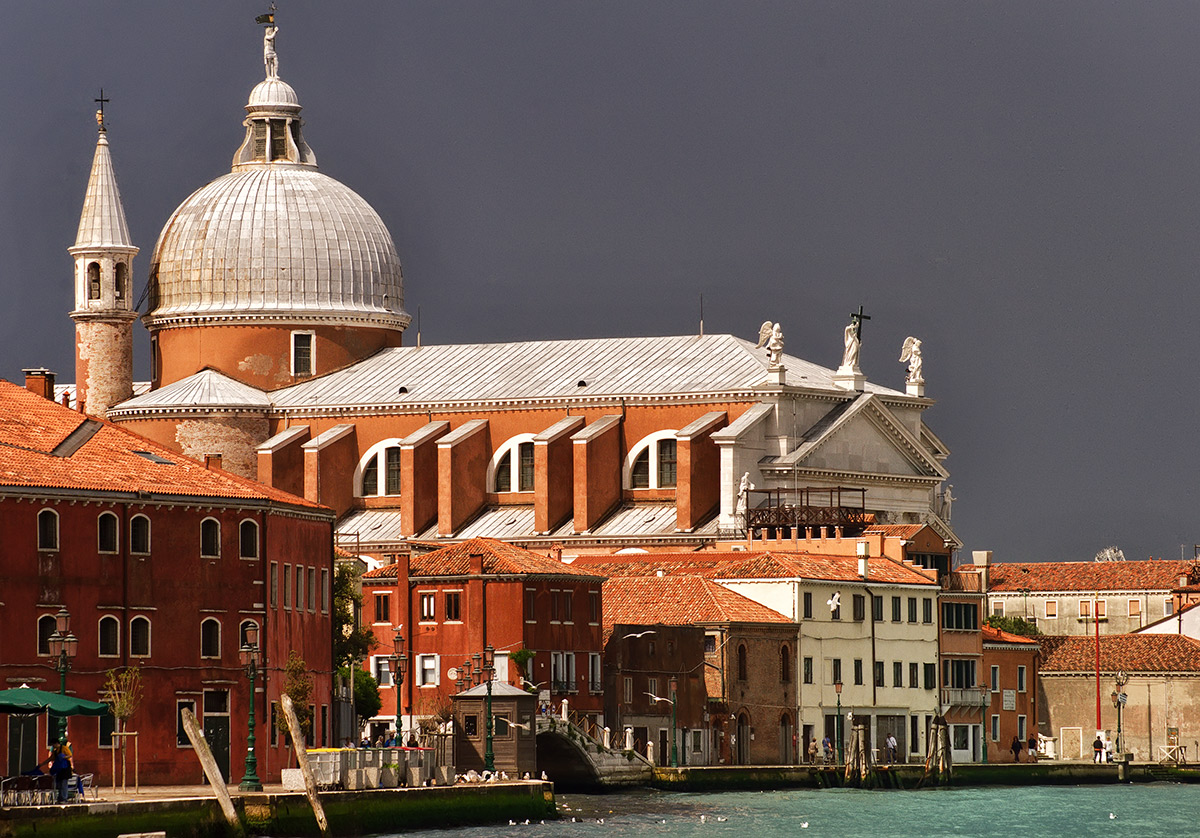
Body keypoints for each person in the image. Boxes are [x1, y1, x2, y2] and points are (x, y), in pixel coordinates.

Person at [47, 737, 73, 802]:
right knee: (59, 784)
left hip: (65, 769)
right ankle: (60, 797)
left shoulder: (64, 748)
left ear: (56, 743)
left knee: (64, 784)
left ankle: (64, 798)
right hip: (59, 770)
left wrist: (63, 757)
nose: (53, 746)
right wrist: (42, 764)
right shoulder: (55, 751)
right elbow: (51, 758)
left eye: (53, 744)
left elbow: (70, 755)